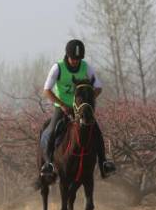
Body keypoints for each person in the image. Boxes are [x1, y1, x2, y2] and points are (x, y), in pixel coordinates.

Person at [41, 39, 116, 178]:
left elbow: (98, 87)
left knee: (97, 132)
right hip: (62, 107)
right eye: (73, 58)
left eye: (78, 59)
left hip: (81, 109)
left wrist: (87, 100)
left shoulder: (86, 67)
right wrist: (62, 105)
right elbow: (47, 90)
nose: (76, 61)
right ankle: (48, 164)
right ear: (67, 55)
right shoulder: (58, 68)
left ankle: (104, 163)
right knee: (51, 131)